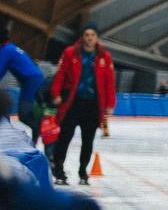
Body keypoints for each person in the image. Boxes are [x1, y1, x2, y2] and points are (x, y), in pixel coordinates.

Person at [47, 25, 117, 186]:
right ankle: (59, 170)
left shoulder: (104, 57)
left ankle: (83, 172)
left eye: (93, 34)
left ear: (97, 37)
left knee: (88, 140)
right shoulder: (70, 53)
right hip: (73, 102)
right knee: (64, 137)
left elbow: (109, 81)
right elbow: (61, 74)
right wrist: (56, 93)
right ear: (82, 37)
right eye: (87, 34)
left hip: (93, 105)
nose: (90, 38)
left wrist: (110, 103)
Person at [0, 32, 47, 129]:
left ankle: (41, 129)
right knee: (29, 112)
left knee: (24, 113)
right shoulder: (11, 47)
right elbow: (4, 67)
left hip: (31, 81)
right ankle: (37, 132)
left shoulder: (5, 50)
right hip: (35, 79)